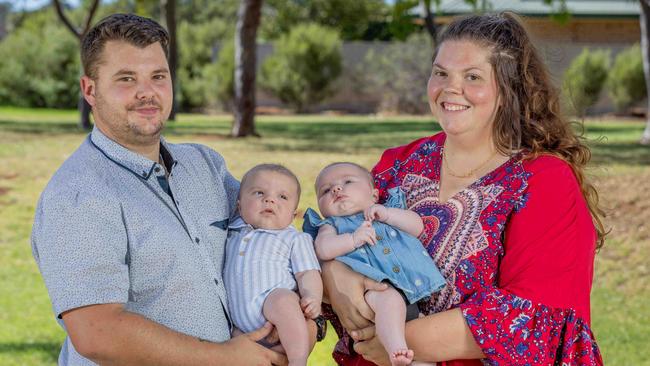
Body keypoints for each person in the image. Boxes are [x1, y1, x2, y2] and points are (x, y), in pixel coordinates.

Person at [320, 12, 606, 366]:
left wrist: (402, 341)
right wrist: (336, 277)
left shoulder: (543, 180)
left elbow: (534, 316)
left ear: (508, 88)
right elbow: (327, 235)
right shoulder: (398, 165)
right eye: (441, 73)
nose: (450, 89)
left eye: (472, 77)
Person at [30, 13, 314, 365]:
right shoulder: (78, 194)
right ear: (90, 90)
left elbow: (273, 230)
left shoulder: (205, 165)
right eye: (126, 78)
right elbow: (95, 331)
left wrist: (310, 310)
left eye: (158, 76)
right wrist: (221, 358)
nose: (146, 92)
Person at [303, 162, 446, 366]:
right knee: (390, 301)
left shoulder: (387, 211)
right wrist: (352, 240)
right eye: (326, 190)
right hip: (374, 292)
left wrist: (388, 214)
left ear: (374, 195)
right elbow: (323, 249)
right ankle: (396, 348)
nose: (336, 189)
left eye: (348, 181)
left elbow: (417, 226)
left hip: (411, 293)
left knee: (424, 356)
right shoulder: (331, 225)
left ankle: (405, 356)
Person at [224, 164, 322, 366]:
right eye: (259, 192)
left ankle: (297, 360)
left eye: (282, 197)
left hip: (272, 302)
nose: (270, 200)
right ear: (239, 205)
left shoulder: (294, 238)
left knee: (284, 301)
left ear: (293, 215)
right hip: (238, 322)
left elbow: (307, 273)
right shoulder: (231, 231)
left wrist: (312, 296)